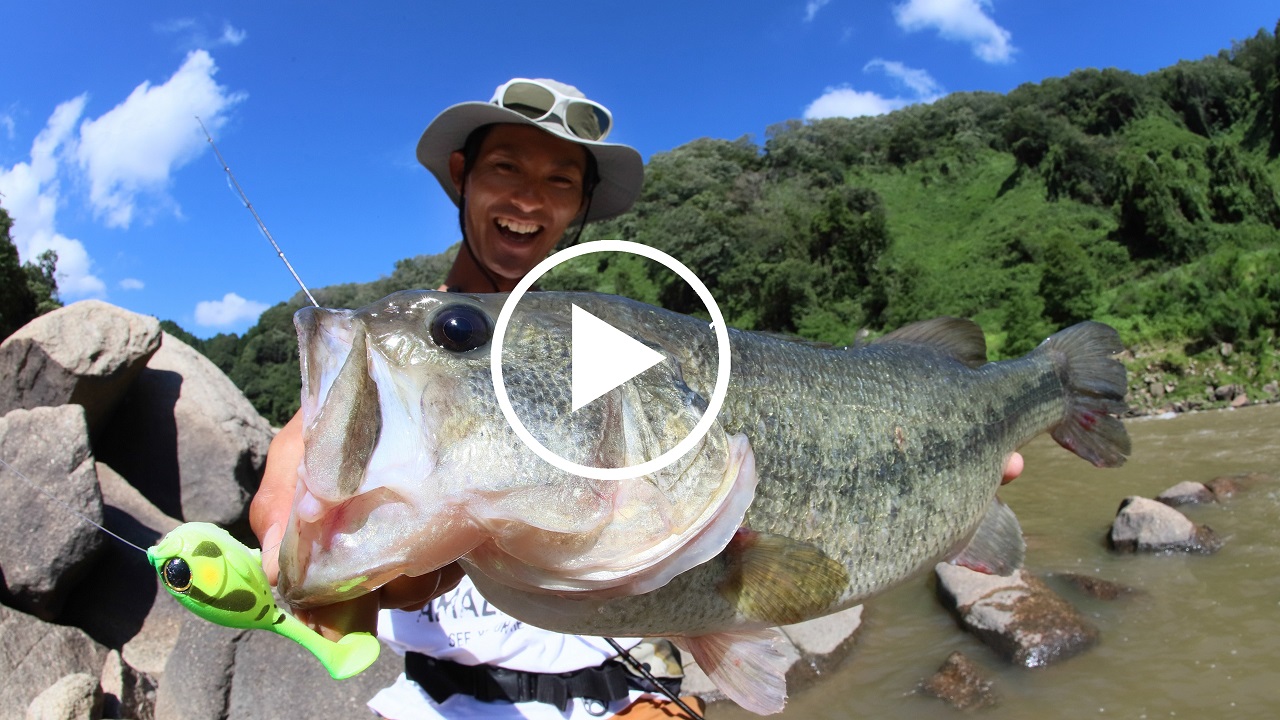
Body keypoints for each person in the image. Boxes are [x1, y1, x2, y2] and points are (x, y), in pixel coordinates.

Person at [249, 77, 1026, 719]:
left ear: (580, 206)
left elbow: (751, 554)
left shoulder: (620, 349)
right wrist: (313, 547)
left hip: (626, 701)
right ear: (462, 174)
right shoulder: (390, 373)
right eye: (506, 168)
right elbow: (292, 501)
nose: (529, 200)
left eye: (559, 182)